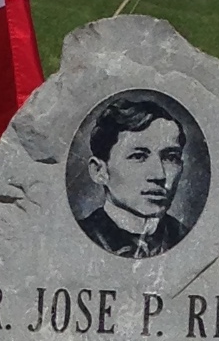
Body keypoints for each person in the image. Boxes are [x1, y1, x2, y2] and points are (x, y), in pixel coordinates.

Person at [75, 92, 195, 257]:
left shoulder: (189, 239)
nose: (159, 175)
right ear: (99, 171)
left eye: (170, 158)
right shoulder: (80, 236)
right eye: (138, 156)